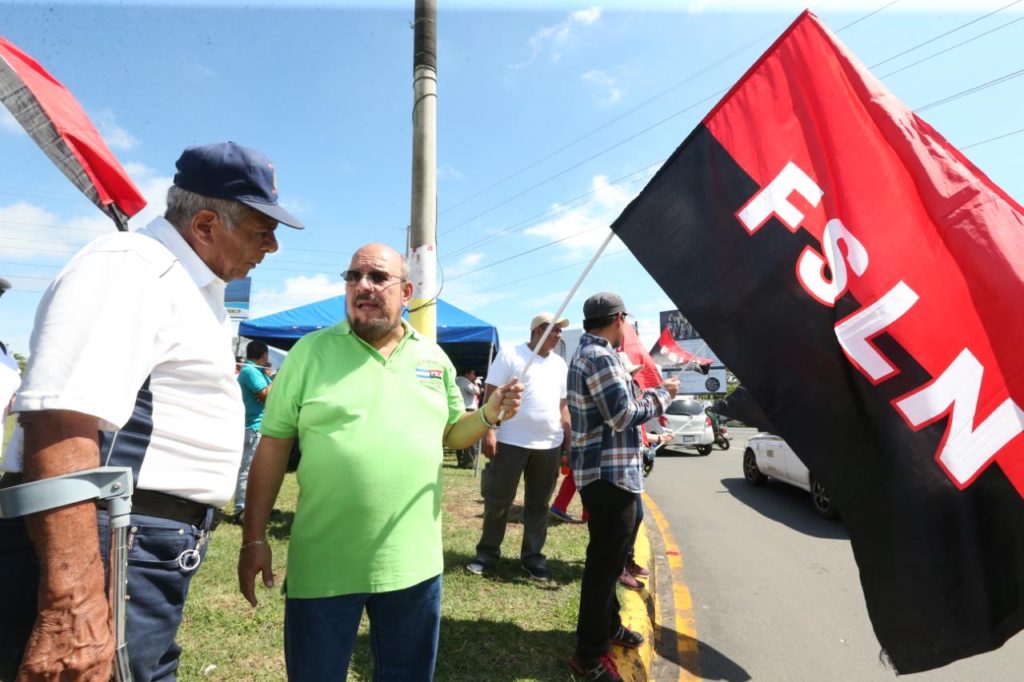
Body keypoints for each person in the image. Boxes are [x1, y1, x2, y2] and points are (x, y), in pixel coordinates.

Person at [0, 141, 304, 682]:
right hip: (112, 540)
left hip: (141, 546)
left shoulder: (186, 282)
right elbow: (59, 422)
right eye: (262, 231)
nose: (273, 247)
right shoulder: (132, 268)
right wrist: (73, 605)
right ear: (207, 224)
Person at [237, 243, 523, 682]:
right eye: (353, 277)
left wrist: (487, 414)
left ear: (406, 291)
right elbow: (273, 448)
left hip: (414, 568)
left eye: (376, 277)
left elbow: (451, 431)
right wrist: (254, 539)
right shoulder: (309, 354)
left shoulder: (432, 358)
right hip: (324, 566)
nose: (362, 286)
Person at [567, 293, 678, 682]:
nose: (627, 328)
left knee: (612, 564)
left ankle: (608, 625)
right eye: (626, 322)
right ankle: (590, 654)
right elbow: (623, 415)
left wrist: (647, 393)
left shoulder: (598, 355)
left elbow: (621, 405)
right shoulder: (599, 357)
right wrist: (664, 396)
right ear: (617, 319)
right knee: (603, 567)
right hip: (608, 477)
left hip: (613, 474)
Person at [466, 312, 571, 582]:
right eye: (554, 329)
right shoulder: (510, 355)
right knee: (498, 500)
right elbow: (489, 397)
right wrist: (488, 433)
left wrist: (568, 440)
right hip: (510, 441)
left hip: (549, 444)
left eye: (560, 330)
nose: (559, 335)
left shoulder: (560, 364)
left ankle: (533, 558)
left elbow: (562, 406)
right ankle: (487, 554)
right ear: (537, 331)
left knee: (539, 504)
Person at [233, 340, 273, 522]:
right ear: (264, 355)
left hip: (257, 426)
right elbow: (266, 395)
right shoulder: (250, 371)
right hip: (252, 427)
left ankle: (254, 508)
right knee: (247, 470)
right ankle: (241, 509)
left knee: (256, 470)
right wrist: (278, 379)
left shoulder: (254, 371)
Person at [454, 367, 482, 468]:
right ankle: (468, 462)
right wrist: (475, 383)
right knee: (470, 436)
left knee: (460, 436)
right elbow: (477, 391)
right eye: (474, 374)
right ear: (467, 373)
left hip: (461, 410)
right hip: (468, 410)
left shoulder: (458, 380)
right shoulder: (465, 381)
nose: (475, 376)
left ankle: (461, 461)